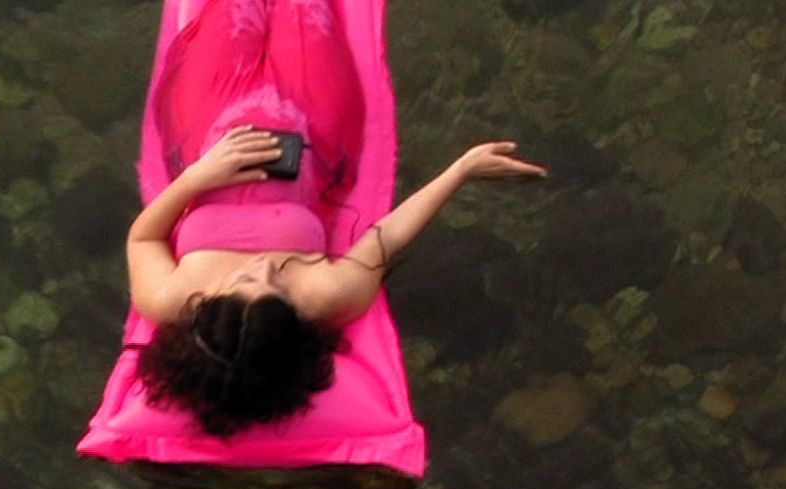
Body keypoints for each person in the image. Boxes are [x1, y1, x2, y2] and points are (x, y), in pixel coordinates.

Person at [122, 0, 546, 440]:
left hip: (209, 123)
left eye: (247, 282)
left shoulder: (171, 299)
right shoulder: (325, 298)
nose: (267, 268)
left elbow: (144, 239)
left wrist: (197, 178)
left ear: (207, 313)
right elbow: (386, 237)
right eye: (279, 291)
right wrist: (462, 170)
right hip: (313, 127)